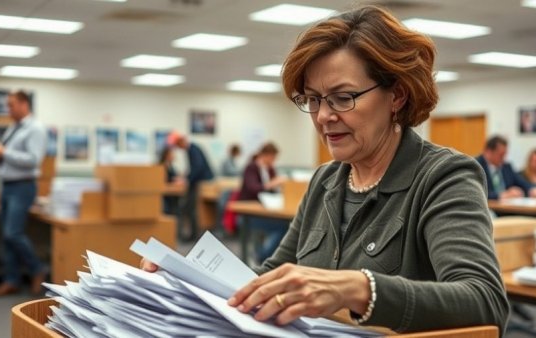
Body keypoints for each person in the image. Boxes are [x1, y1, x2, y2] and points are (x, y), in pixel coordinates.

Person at [144, 6, 509, 334]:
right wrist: (189, 279)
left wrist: (359, 289)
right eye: (314, 99)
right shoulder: (326, 180)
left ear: (396, 96)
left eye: (343, 97)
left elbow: (485, 302)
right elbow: (274, 275)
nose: (323, 116)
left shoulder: (444, 177)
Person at [0, 90, 47, 296]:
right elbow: (11, 158)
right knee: (7, 236)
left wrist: (4, 152)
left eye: (12, 104)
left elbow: (33, 160)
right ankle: (11, 280)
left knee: (13, 233)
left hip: (23, 186)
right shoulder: (13, 128)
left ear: (24, 104)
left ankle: (38, 269)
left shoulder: (35, 129)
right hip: (7, 185)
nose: (8, 109)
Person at [238, 142, 288, 263]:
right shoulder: (251, 168)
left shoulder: (270, 169)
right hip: (250, 213)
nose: (274, 161)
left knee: (287, 224)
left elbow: (273, 191)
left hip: (266, 210)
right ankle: (263, 257)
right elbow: (253, 188)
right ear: (265, 155)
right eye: (273, 158)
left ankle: (264, 256)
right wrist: (272, 183)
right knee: (284, 227)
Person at [166, 131, 214, 241]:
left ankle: (194, 236)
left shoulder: (193, 150)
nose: (178, 148)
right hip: (197, 182)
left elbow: (197, 168)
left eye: (178, 145)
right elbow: (194, 168)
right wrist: (185, 177)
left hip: (200, 183)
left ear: (181, 141)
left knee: (190, 208)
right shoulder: (191, 150)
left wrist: (186, 179)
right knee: (189, 208)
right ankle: (193, 235)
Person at [476, 135, 536, 200]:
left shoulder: (506, 167)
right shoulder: (475, 166)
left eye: (505, 154)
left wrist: (532, 189)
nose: (503, 159)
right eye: (501, 155)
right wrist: (501, 195)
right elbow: (477, 193)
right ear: (489, 152)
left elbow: (522, 182)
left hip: (507, 208)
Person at [158, 147, 185, 215]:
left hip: (173, 195)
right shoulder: (162, 166)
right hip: (166, 198)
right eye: (172, 154)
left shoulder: (171, 166)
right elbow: (165, 180)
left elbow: (173, 177)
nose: (174, 156)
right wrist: (175, 181)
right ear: (167, 155)